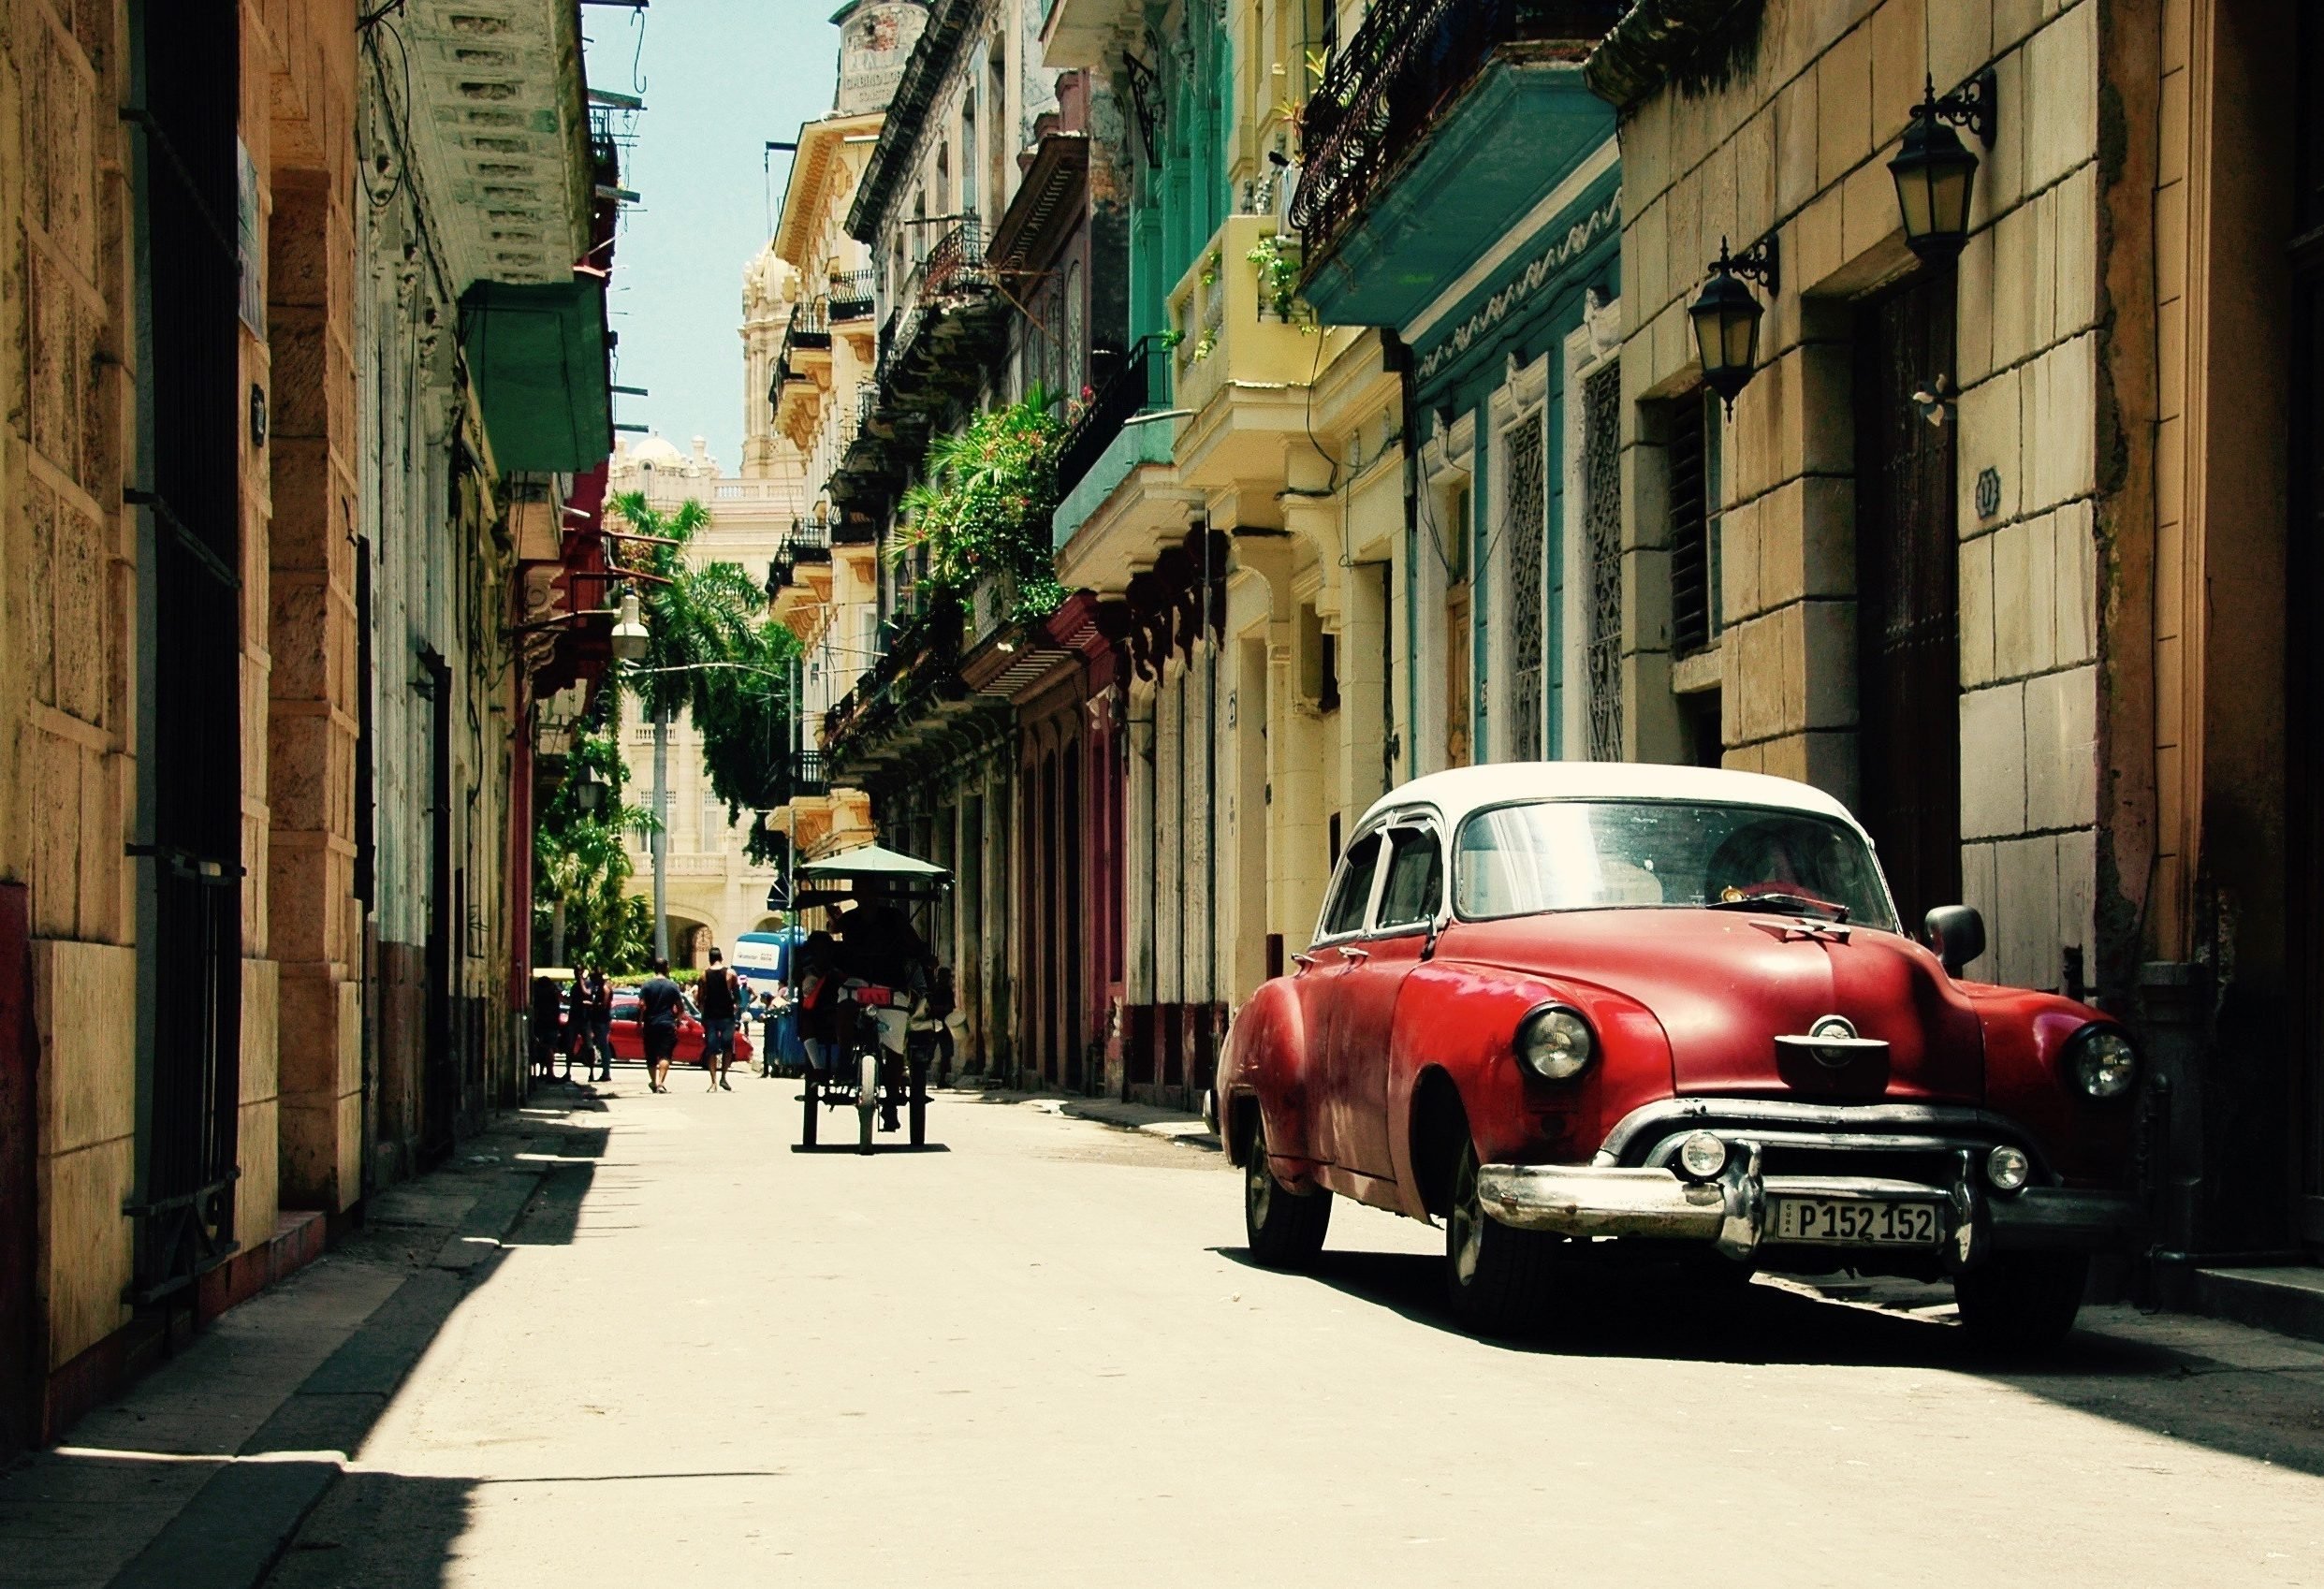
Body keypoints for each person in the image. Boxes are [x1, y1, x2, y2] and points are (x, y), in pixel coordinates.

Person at [696, 946, 742, 1093]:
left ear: (709, 959)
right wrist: (736, 1006)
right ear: (721, 957)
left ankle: (713, 1081)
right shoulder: (730, 973)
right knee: (728, 1047)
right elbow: (737, 996)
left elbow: (700, 999)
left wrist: (702, 1014)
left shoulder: (703, 975)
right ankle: (724, 1076)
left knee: (711, 1048)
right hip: (727, 1015)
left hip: (710, 1016)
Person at [637, 956, 683, 1093]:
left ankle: (653, 1081)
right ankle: (661, 1083)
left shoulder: (647, 985)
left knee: (651, 1054)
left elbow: (641, 1005)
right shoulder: (672, 986)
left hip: (650, 1024)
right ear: (666, 968)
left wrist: (640, 1021)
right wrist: (678, 1019)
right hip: (667, 1023)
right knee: (665, 1054)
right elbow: (680, 1006)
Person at [575, 964, 613, 1083]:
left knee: (603, 1046)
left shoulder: (605, 989)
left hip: (602, 1021)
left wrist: (591, 1005)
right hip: (597, 1020)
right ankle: (605, 1072)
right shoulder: (599, 988)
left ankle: (606, 1073)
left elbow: (603, 1006)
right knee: (601, 1047)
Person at [529, 971, 563, 1082]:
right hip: (551, 1025)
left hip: (542, 1025)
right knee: (548, 1048)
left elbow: (536, 1012)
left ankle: (546, 1073)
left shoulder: (539, 997)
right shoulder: (553, 996)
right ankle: (548, 1072)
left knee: (544, 1048)